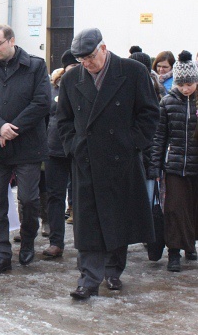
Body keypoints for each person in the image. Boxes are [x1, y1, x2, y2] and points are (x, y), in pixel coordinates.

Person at [57, 28, 159, 299]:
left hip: (121, 159)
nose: (87, 63)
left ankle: (113, 271)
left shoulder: (133, 72)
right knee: (88, 221)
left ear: (104, 48)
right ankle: (88, 278)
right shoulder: (70, 80)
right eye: (81, 60)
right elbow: (63, 120)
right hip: (87, 160)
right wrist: (74, 146)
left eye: (90, 57)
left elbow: (150, 113)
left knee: (118, 218)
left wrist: (131, 143)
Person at [0, 24, 50, 274]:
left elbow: (42, 103)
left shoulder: (36, 66)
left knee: (28, 199)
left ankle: (28, 242)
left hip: (28, 146)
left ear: (12, 41)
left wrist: (13, 128)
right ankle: (2, 254)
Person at [149, 50, 198, 272]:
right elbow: (160, 137)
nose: (186, 88)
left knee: (193, 208)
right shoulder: (168, 103)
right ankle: (174, 253)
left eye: (190, 84)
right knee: (175, 209)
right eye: (182, 84)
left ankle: (190, 246)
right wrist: (155, 165)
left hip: (195, 165)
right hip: (175, 166)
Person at [42, 50, 78, 258]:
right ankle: (56, 242)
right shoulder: (53, 89)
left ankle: (84, 242)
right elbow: (45, 118)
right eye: (72, 67)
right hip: (54, 149)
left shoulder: (89, 87)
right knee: (55, 196)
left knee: (81, 197)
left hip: (80, 150)